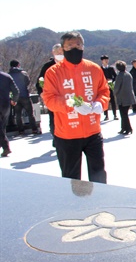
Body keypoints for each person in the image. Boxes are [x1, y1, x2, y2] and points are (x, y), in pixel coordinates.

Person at [41, 31, 110, 183]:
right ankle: (74, 205)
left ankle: (100, 201)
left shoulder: (94, 68)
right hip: (67, 134)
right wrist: (72, 105)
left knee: (98, 173)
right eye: (70, 45)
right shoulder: (53, 72)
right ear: (63, 48)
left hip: (93, 131)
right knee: (70, 178)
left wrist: (101, 103)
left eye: (78, 44)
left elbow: (104, 91)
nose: (75, 48)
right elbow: (49, 99)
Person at [36, 43, 64, 138]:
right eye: (57, 52)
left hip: (67, 96)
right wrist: (42, 93)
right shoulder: (47, 66)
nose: (60, 53)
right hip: (53, 97)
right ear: (53, 53)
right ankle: (56, 138)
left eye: (61, 51)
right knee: (53, 119)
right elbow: (39, 81)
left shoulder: (69, 63)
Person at [8, 60, 41, 135]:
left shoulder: (9, 75)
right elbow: (27, 82)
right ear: (18, 65)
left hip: (15, 97)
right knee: (30, 113)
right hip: (25, 95)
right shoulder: (23, 73)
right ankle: (34, 129)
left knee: (18, 114)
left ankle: (21, 130)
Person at [113, 60, 136, 135]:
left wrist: (114, 92)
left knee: (123, 114)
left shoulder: (119, 76)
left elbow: (116, 87)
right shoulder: (128, 74)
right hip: (129, 97)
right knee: (125, 113)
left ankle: (127, 128)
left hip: (122, 98)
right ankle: (124, 128)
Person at [0, 70, 19, 157]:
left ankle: (6, 147)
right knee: (2, 126)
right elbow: (16, 91)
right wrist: (14, 100)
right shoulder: (7, 76)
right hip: (5, 104)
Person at [100, 55, 118, 121]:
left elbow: (115, 76)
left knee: (113, 101)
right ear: (102, 61)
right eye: (105, 60)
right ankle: (106, 115)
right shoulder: (100, 69)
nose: (106, 61)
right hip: (103, 87)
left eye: (107, 59)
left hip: (110, 86)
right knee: (105, 101)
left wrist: (111, 80)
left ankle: (115, 115)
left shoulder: (111, 68)